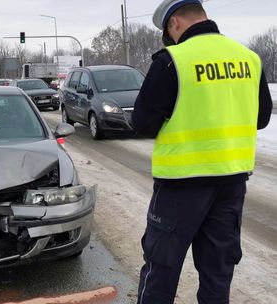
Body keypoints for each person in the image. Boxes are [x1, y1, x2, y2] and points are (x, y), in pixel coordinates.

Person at [132, 1, 273, 303]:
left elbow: (143, 123)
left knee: (162, 270)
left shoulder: (172, 61)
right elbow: (261, 118)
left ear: (175, 24)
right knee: (217, 273)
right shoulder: (249, 59)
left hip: (180, 186)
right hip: (232, 183)